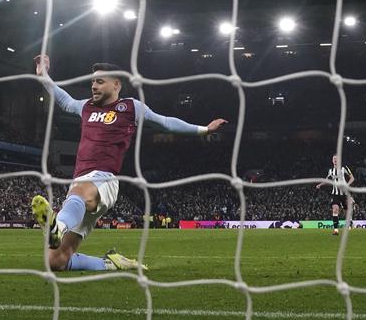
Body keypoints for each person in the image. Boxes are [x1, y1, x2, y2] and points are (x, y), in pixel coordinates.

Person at [30, 56, 227, 272]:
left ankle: (57, 226)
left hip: (104, 180)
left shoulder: (131, 107)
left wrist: (204, 129)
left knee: (79, 193)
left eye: (100, 82)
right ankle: (112, 263)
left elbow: (165, 123)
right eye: (92, 83)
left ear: (116, 84)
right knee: (56, 261)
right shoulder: (86, 107)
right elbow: (64, 99)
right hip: (81, 185)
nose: (94, 86)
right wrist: (43, 76)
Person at [315, 154, 354, 235]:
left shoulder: (344, 168)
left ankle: (349, 222)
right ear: (332, 161)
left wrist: (347, 184)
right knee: (335, 209)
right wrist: (320, 184)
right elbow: (326, 180)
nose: (335, 160)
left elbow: (352, 178)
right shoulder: (330, 171)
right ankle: (336, 230)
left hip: (344, 193)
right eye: (334, 159)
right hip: (335, 194)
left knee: (347, 210)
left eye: (337, 159)